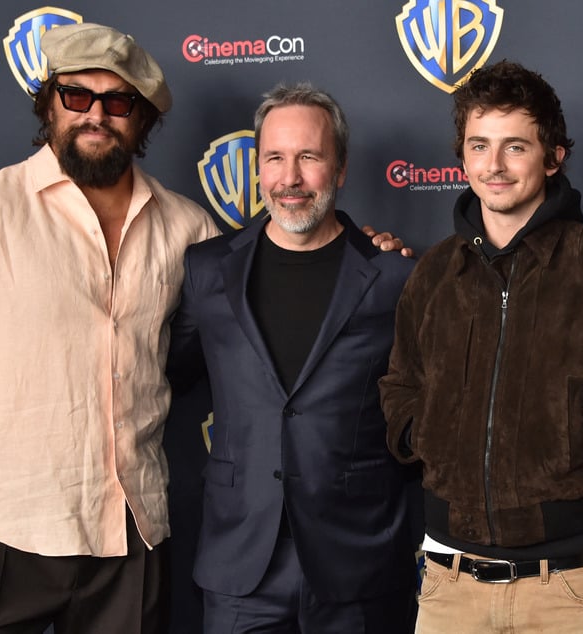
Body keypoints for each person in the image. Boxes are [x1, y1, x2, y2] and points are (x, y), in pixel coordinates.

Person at [0, 23, 406, 634]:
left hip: (131, 535)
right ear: (49, 105)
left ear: (142, 120)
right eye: (77, 97)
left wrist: (370, 251)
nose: (96, 115)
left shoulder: (188, 231)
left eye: (118, 102)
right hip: (1, 532)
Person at [379, 60, 583, 633]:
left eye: (515, 146)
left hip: (568, 585)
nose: (494, 166)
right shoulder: (434, 272)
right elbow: (400, 383)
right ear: (461, 156)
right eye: (479, 146)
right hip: (449, 585)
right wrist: (423, 432)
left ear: (554, 156)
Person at [166, 82, 419, 634]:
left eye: (309, 157)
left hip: (359, 563)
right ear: (258, 167)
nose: (290, 179)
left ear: (341, 167)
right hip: (241, 563)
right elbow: (167, 374)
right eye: (275, 158)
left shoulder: (394, 278)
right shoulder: (207, 270)